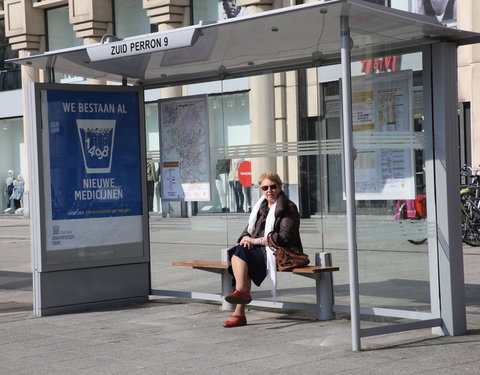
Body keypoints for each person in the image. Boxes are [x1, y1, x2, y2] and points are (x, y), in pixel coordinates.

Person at [223, 172, 303, 327]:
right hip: (259, 249)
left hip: (280, 251)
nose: (269, 190)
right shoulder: (261, 206)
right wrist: (245, 239)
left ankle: (239, 307)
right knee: (239, 249)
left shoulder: (288, 207)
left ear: (280, 187)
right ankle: (241, 296)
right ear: (260, 189)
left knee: (241, 254)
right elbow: (248, 229)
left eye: (273, 187)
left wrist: (255, 240)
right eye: (265, 187)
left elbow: (285, 237)